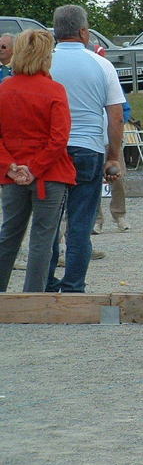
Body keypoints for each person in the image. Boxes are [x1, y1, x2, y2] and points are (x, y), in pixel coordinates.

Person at [44, 6, 124, 293]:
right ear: (83, 32)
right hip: (88, 149)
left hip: (50, 151)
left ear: (55, 31)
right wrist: (113, 157)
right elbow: (116, 115)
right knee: (80, 223)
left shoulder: (44, 64)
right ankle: (74, 286)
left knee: (48, 223)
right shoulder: (101, 65)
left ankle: (46, 283)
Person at [0, 30, 76, 292]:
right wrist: (34, 169)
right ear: (46, 56)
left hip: (11, 176)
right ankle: (32, 296)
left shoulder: (4, 89)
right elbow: (59, 138)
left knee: (9, 234)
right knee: (42, 239)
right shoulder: (54, 90)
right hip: (49, 175)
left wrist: (10, 166)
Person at [93, 100, 132, 233]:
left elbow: (125, 109)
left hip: (112, 142)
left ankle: (119, 215)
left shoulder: (112, 83)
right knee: (92, 181)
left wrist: (118, 125)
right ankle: (96, 220)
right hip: (92, 141)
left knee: (119, 179)